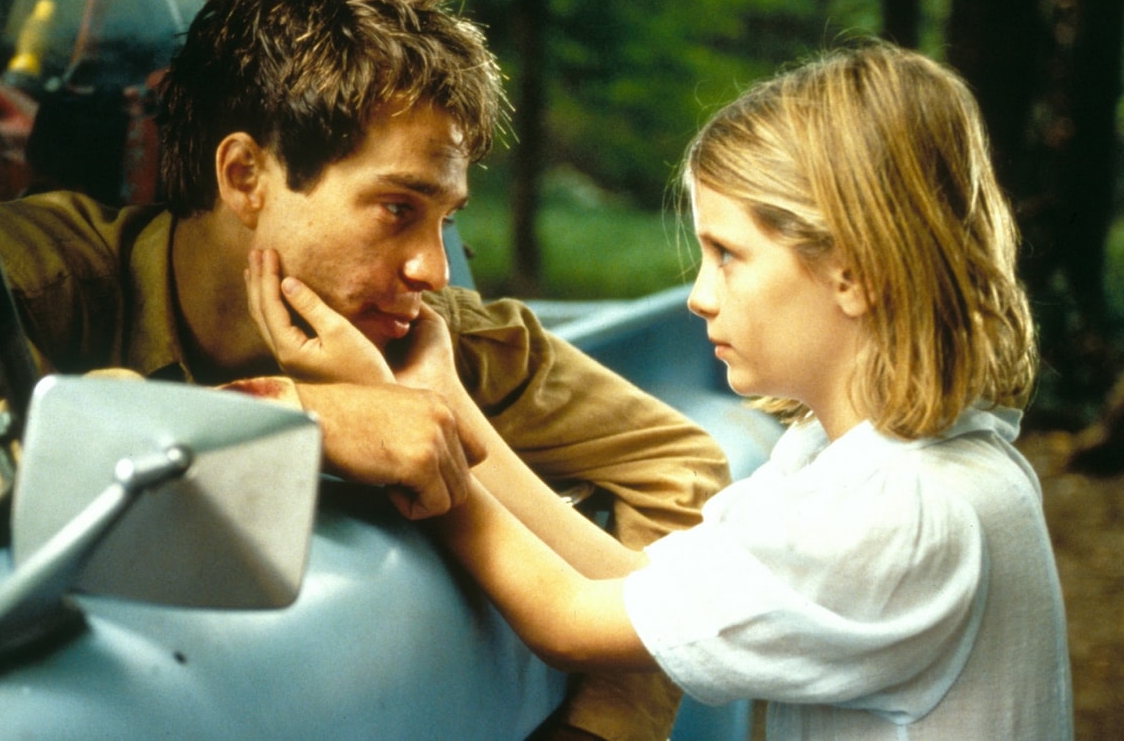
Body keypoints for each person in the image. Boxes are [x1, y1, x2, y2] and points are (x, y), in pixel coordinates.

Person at [0, 0, 729, 741]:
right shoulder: (27, 283)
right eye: (397, 209)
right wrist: (294, 419)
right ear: (245, 177)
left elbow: (678, 468)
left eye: (445, 219)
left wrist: (604, 726)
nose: (431, 269)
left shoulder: (434, 340)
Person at [250, 42, 1074, 739]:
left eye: (728, 255)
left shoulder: (904, 514)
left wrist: (416, 440)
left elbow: (573, 620)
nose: (700, 296)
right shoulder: (875, 464)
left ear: (852, 271)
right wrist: (452, 405)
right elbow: (629, 583)